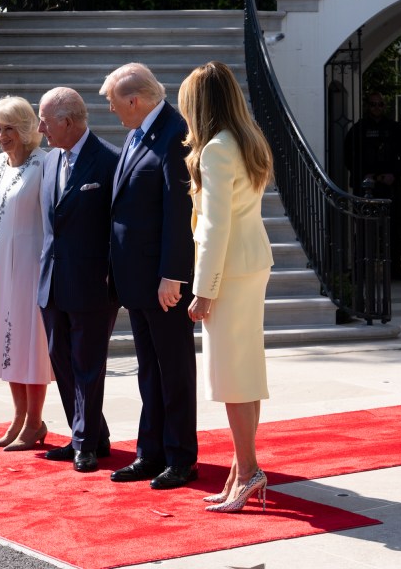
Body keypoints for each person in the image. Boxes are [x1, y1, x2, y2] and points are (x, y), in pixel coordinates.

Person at [180, 62, 274, 514]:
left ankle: (250, 469)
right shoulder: (246, 140)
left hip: (230, 270)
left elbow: (214, 225)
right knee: (246, 371)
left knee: (232, 377)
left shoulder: (216, 149)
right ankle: (241, 470)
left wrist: (204, 288)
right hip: (249, 263)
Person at [102, 63, 198, 490]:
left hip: (163, 282)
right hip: (136, 279)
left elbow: (180, 210)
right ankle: (151, 452)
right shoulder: (137, 132)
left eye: (114, 103)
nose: (112, 111)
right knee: (148, 370)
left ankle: (181, 457)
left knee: (173, 369)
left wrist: (173, 275)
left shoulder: (175, 134)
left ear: (135, 100)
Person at [35, 87, 121, 473]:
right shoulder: (51, 160)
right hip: (52, 280)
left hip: (92, 282)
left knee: (87, 364)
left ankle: (83, 444)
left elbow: (120, 226)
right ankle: (90, 435)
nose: (40, 128)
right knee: (62, 362)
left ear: (67, 122)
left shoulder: (108, 160)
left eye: (45, 120)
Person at [0, 95, 53, 450]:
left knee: (29, 343)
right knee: (7, 343)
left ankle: (35, 422)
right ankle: (19, 418)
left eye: (10, 128)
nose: (3, 135)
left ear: (25, 129)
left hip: (29, 266)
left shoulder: (44, 164)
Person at [343, 91, 401, 280]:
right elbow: (348, 156)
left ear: (385, 106)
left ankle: (395, 271)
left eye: (380, 104)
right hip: (365, 186)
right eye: (373, 104)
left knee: (391, 228)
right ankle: (360, 270)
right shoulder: (358, 129)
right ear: (367, 106)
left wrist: (394, 174)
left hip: (388, 186)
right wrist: (362, 175)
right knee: (364, 229)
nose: (377, 108)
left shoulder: (394, 128)